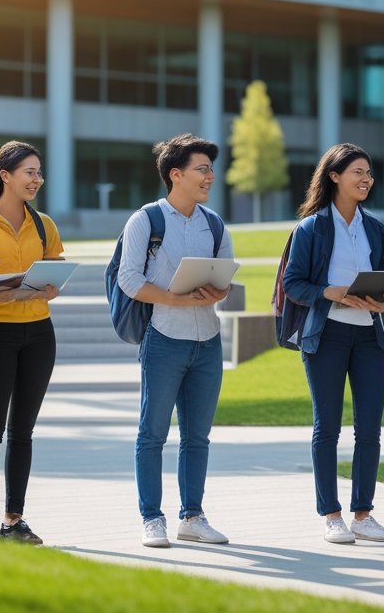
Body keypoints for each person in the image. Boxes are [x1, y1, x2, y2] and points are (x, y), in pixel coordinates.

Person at [117, 134, 233, 549]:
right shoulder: (146, 221)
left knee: (197, 436)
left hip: (208, 341)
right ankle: (152, 517)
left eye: (210, 169)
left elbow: (225, 277)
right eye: (201, 169)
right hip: (164, 338)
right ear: (176, 174)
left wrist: (218, 291)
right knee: (152, 433)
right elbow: (129, 279)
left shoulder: (214, 223)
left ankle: (193, 516)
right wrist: (175, 299)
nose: (209, 177)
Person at [282, 143, 384, 545]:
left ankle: (363, 515)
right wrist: (332, 292)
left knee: (369, 428)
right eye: (357, 173)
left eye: (369, 173)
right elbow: (293, 284)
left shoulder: (375, 229)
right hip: (326, 335)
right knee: (326, 426)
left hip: (369, 335)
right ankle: (331, 515)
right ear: (334, 176)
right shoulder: (312, 228)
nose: (366, 179)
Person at [0, 141, 62, 545]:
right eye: (29, 172)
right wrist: (9, 293)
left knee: (23, 432)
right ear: (5, 175)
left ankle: (13, 521)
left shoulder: (44, 225)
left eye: (39, 172)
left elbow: (53, 283)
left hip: (40, 335)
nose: (37, 179)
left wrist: (26, 293)